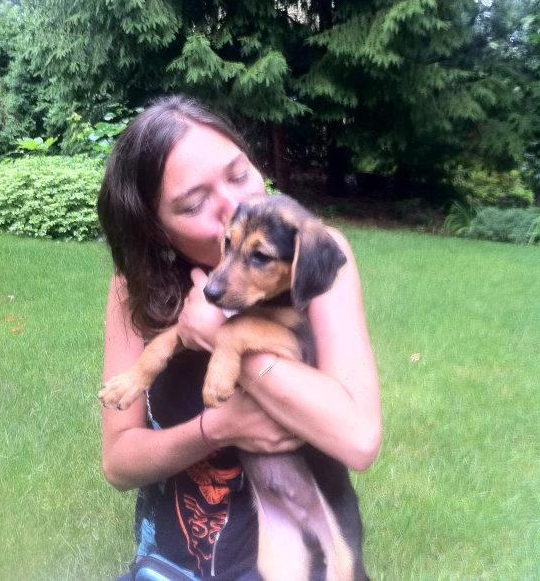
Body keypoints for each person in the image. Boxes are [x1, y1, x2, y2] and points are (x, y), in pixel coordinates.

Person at [97, 95, 382, 581]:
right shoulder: (135, 283)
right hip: (173, 565)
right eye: (194, 203)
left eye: (239, 174)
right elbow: (119, 464)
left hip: (304, 552)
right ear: (157, 230)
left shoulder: (313, 256)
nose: (236, 207)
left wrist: (221, 338)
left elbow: (358, 440)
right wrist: (218, 428)